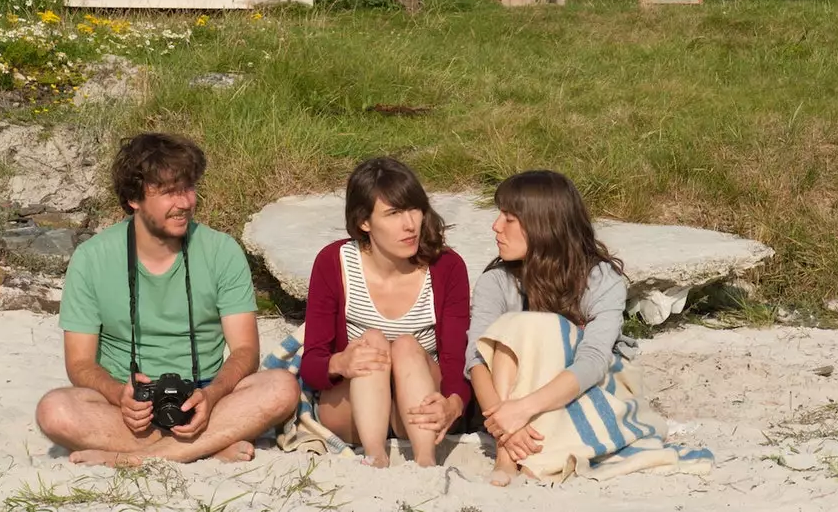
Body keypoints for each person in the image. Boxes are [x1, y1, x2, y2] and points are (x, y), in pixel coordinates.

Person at [35, 133, 299, 466]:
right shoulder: (92, 258)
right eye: (170, 192)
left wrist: (213, 394)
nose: (185, 202)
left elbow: (246, 351)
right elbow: (80, 364)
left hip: (206, 395)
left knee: (282, 386)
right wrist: (120, 395)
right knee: (54, 410)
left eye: (189, 188)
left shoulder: (222, 250)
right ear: (134, 198)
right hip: (129, 404)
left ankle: (134, 456)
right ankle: (208, 445)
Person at [298, 157, 471, 467]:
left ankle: (426, 462)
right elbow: (311, 365)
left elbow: (458, 360)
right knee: (372, 342)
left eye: (414, 209)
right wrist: (341, 361)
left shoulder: (447, 267)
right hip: (352, 413)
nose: (409, 225)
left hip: (422, 409)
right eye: (393, 213)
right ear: (364, 221)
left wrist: (454, 405)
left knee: (405, 346)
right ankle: (375, 458)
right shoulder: (333, 262)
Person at [465, 170, 628, 486]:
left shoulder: (600, 279)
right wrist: (506, 424)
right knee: (509, 331)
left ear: (543, 225)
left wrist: (521, 410)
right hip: (505, 406)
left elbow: (593, 361)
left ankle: (526, 452)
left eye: (509, 218)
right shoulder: (496, 281)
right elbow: (475, 359)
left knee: (534, 326)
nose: (496, 226)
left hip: (581, 392)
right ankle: (506, 456)